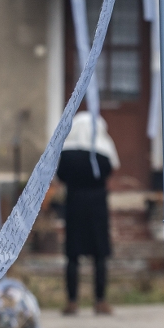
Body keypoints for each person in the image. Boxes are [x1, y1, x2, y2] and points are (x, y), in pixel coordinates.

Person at [57, 111, 117, 315]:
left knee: (72, 255)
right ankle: (100, 300)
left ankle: (72, 301)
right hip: (97, 205)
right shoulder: (102, 152)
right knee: (99, 254)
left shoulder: (67, 154)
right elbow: (109, 170)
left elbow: (61, 175)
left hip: (74, 203)